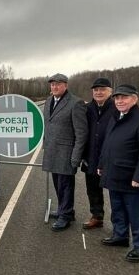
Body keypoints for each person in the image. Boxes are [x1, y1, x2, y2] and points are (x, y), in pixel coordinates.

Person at [98, 84, 139, 262]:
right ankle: (120, 235)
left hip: (131, 177)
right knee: (117, 208)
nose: (120, 101)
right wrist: (102, 164)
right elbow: (107, 143)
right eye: (117, 98)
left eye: (124, 97)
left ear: (134, 99)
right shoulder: (116, 117)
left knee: (136, 212)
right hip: (113, 173)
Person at [42, 73, 88, 231]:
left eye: (58, 84)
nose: (55, 86)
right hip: (52, 151)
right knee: (58, 184)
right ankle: (65, 210)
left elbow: (81, 133)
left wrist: (76, 156)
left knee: (66, 185)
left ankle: (66, 215)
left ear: (66, 85)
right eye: (52, 84)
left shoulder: (76, 103)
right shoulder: (49, 101)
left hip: (66, 153)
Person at [81, 78, 117, 230]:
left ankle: (119, 226)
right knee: (93, 189)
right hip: (91, 156)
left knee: (115, 193)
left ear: (110, 91)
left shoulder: (117, 107)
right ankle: (97, 216)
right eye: (96, 90)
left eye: (102, 89)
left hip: (112, 157)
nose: (98, 92)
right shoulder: (87, 108)